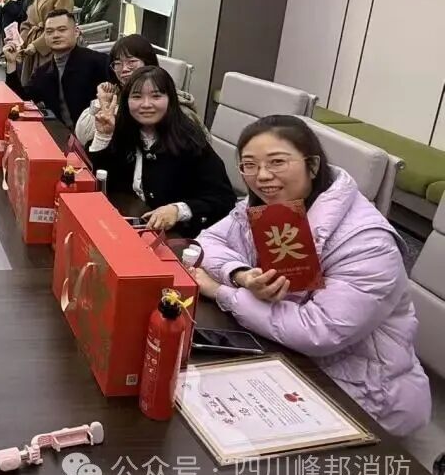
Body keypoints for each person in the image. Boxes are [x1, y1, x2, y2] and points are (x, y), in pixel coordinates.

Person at [191, 115, 431, 436]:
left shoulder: (367, 242)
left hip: (363, 396)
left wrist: (222, 292)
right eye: (249, 165)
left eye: (277, 162)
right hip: (283, 359)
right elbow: (209, 241)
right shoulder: (269, 207)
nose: (262, 176)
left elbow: (320, 331)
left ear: (313, 165)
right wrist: (242, 275)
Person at [89, 66, 235, 236]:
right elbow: (101, 180)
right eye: (137, 96)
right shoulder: (125, 130)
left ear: (170, 99)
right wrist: (103, 135)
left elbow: (223, 200)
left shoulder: (189, 140)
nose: (146, 104)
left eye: (156, 96)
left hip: (178, 236)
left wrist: (178, 210)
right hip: (132, 224)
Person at [75, 34, 200, 146]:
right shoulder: (115, 96)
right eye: (118, 63)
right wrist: (101, 103)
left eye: (132, 62)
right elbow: (83, 138)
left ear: (148, 62)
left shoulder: (174, 104)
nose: (124, 69)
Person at [3, 10, 108, 128]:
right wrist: (11, 63)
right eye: (49, 31)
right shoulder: (43, 73)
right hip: (64, 135)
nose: (56, 35)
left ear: (76, 32)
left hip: (99, 133)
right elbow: (20, 100)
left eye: (62, 30)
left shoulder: (98, 62)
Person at [17, 0, 75, 84]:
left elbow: (60, 26)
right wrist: (20, 41)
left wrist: (37, 45)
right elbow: (28, 21)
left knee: (47, 85)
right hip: (31, 47)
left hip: (50, 49)